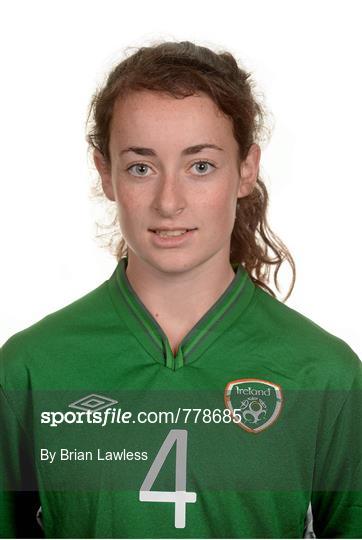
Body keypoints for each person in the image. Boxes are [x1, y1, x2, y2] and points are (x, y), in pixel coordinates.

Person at [0, 40, 361, 539]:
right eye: (141, 167)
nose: (169, 202)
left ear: (246, 169)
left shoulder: (324, 375)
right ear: (106, 173)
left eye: (200, 166)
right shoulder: (30, 370)